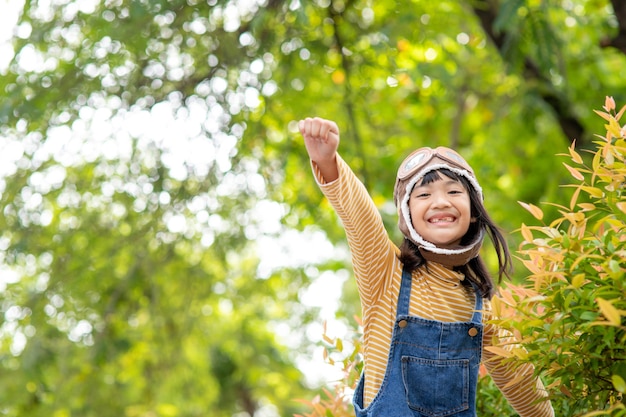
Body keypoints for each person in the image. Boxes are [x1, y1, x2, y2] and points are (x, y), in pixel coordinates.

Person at [298, 117, 554, 417]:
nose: (440, 202)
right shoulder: (385, 273)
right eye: (423, 195)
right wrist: (328, 161)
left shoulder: (481, 308)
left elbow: (521, 379)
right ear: (407, 216)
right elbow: (360, 216)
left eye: (454, 191)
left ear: (473, 212)